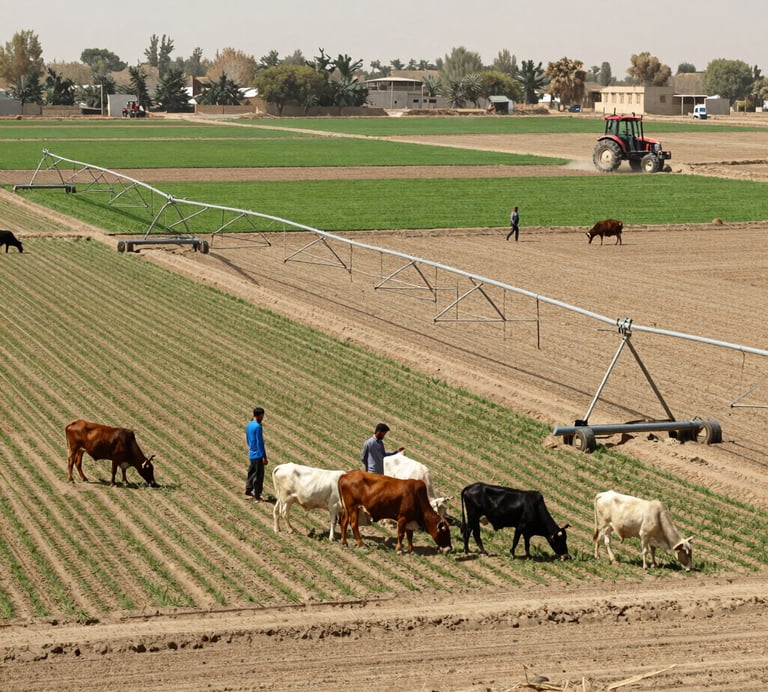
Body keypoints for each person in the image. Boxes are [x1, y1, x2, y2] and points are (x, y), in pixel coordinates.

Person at [245, 407, 268, 502]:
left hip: (251, 453)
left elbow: (247, 439)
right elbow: (260, 442)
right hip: (258, 455)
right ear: (259, 415)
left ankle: (248, 489)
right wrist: (264, 456)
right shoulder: (258, 427)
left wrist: (251, 448)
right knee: (259, 475)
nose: (262, 418)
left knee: (251, 472)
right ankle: (257, 495)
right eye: (262, 416)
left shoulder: (249, 425)